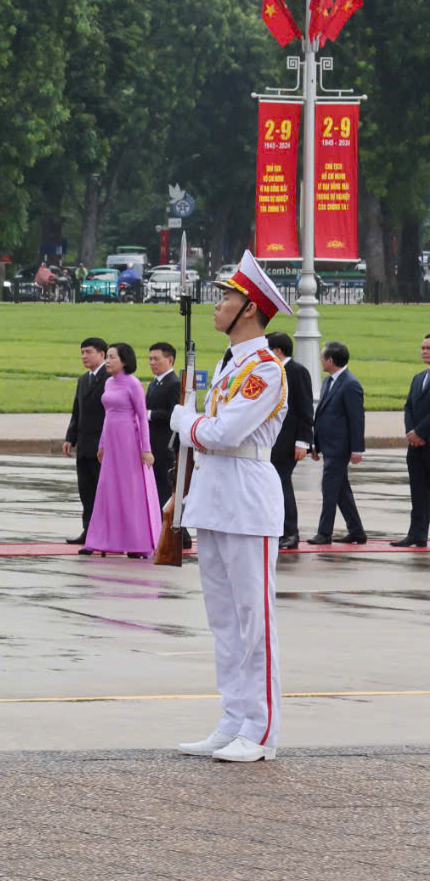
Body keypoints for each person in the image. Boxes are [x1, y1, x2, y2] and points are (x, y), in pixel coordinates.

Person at [173, 255, 291, 763]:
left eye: (225, 298)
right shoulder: (230, 363)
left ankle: (260, 730)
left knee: (253, 620)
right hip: (216, 497)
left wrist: (184, 421)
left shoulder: (263, 369)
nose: (217, 306)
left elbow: (223, 433)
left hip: (247, 498)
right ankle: (233, 718)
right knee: (223, 621)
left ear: (249, 310)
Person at [82, 344, 159, 558]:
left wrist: (146, 449)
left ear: (124, 360)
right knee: (108, 489)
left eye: (112, 357)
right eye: (106, 357)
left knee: (130, 490)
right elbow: (108, 415)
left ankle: (136, 542)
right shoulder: (108, 383)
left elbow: (142, 417)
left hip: (129, 441)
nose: (107, 361)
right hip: (112, 441)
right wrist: (102, 444)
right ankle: (102, 540)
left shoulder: (133, 384)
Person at [310, 340, 366, 545]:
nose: (321, 361)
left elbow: (357, 419)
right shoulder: (328, 381)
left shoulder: (351, 384)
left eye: (322, 357)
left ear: (330, 360)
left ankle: (324, 533)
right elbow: (321, 415)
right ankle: (357, 531)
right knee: (341, 490)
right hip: (328, 445)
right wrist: (315, 444)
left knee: (329, 489)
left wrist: (357, 449)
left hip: (340, 448)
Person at [267, 330, 314, 551]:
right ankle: (278, 529)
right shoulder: (273, 371)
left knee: (282, 485)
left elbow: (305, 408)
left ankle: (290, 532)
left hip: (288, 442)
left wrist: (303, 441)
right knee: (274, 486)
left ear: (277, 350)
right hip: (272, 441)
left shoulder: (297, 372)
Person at [63, 338, 109, 542]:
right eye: (82, 352)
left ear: (102, 354)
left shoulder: (110, 379)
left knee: (102, 492)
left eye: (88, 352)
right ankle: (88, 530)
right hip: (83, 444)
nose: (84, 356)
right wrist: (70, 438)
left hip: (102, 447)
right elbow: (77, 411)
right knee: (86, 491)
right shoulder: (83, 380)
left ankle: (105, 532)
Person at [399, 334, 430, 549]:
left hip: (427, 441)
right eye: (422, 347)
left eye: (428, 348)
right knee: (418, 492)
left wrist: (420, 432)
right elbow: (409, 406)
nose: (424, 351)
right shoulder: (419, 378)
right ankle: (417, 534)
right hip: (416, 446)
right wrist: (411, 431)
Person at [146, 342, 184, 510]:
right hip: (152, 444)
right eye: (150, 359)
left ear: (170, 360)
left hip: (165, 446)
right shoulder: (154, 383)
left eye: (156, 359)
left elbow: (173, 414)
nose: (152, 362)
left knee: (165, 493)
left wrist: (148, 414)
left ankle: (176, 534)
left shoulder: (174, 383)